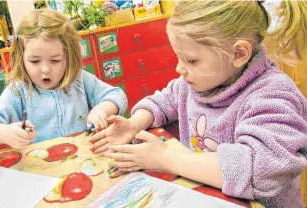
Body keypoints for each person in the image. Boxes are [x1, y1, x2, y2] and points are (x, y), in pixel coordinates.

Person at [90, 1, 307, 207]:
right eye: (178, 57)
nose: (179, 69)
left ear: (239, 53)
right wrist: (134, 124)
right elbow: (164, 100)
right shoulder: (197, 82)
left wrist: (166, 158)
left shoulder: (275, 95)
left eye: (191, 60)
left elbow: (260, 170)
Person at [0, 9, 127, 148]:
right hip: (43, 169)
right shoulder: (18, 91)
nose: (45, 69)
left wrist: (101, 110)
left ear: (69, 57)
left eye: (55, 60)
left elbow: (116, 95)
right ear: (21, 59)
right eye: (35, 61)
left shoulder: (79, 79)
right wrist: (5, 132)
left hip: (86, 160)